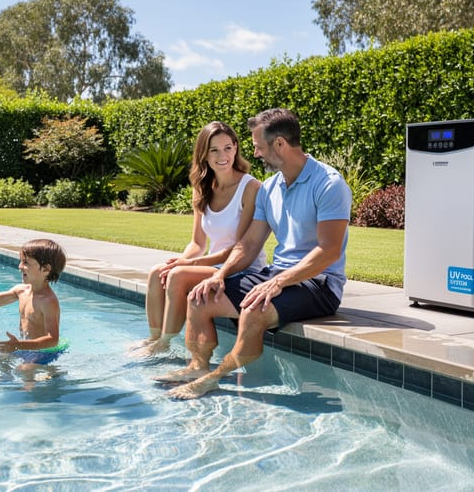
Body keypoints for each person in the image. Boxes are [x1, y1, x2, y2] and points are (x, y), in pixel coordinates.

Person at [159, 108, 352, 399]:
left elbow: (328, 251)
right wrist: (220, 275)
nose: (256, 154)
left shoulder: (329, 184)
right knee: (200, 297)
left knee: (253, 310)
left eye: (259, 147)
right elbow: (249, 244)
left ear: (279, 145)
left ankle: (215, 377)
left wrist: (277, 283)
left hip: (319, 283)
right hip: (277, 274)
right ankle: (198, 366)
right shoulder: (270, 188)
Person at [140, 121, 266, 355]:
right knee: (158, 272)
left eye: (228, 148)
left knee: (178, 274)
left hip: (239, 268)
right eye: (214, 150)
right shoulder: (202, 187)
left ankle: (164, 344)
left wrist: (186, 265)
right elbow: (197, 243)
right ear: (204, 154)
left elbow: (239, 249)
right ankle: (154, 339)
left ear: (236, 148)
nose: (223, 155)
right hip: (212, 265)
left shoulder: (250, 187)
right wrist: (179, 260)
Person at [0, 238, 68, 367]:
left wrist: (18, 345)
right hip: (25, 347)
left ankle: (50, 378)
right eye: (21, 261)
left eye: (26, 262)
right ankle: (6, 382)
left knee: (24, 370)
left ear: (45, 269)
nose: (20, 266)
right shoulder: (21, 291)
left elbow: (53, 340)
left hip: (45, 352)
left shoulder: (48, 301)